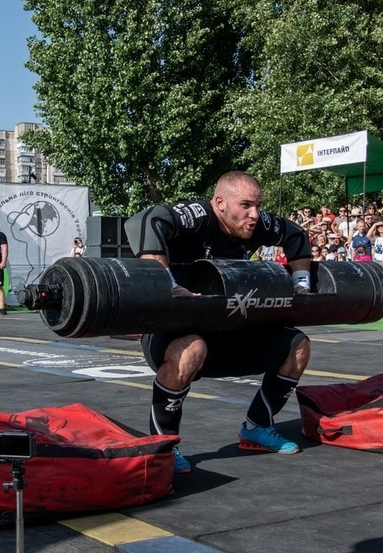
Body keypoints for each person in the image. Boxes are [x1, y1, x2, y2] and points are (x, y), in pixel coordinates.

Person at [123, 171, 313, 474]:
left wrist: (302, 282)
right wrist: (168, 283)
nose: (255, 215)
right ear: (220, 203)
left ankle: (257, 427)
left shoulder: (256, 224)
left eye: (258, 206)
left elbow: (295, 235)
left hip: (227, 329)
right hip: (175, 330)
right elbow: (143, 220)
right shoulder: (199, 217)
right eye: (246, 206)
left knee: (298, 346)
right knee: (191, 348)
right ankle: (163, 443)